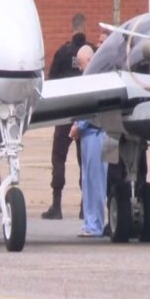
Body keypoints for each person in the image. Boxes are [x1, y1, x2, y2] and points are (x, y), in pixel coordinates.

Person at [41, 13, 92, 220]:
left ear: (72, 28)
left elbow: (50, 82)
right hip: (84, 112)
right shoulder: (91, 52)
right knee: (84, 160)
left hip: (63, 114)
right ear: (85, 28)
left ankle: (57, 204)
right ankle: (84, 206)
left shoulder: (62, 53)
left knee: (58, 158)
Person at [70, 45, 107, 237]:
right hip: (88, 135)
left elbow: (93, 107)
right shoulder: (89, 78)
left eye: (81, 63)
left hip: (95, 134)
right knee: (87, 181)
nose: (79, 67)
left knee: (95, 182)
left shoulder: (95, 80)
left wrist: (79, 125)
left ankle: (95, 225)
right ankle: (89, 222)